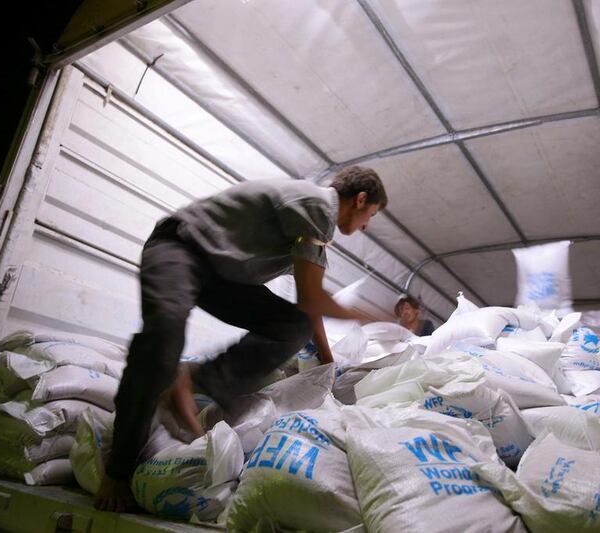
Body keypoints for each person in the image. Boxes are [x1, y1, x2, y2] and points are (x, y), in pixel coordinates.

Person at [95, 166, 388, 512]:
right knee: (163, 337)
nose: (366, 225)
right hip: (180, 247)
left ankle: (190, 384)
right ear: (360, 199)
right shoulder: (317, 205)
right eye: (370, 215)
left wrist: (328, 363)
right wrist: (374, 318)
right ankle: (118, 469)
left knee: (292, 326)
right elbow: (313, 299)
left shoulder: (316, 233)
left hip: (220, 276)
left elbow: (307, 310)